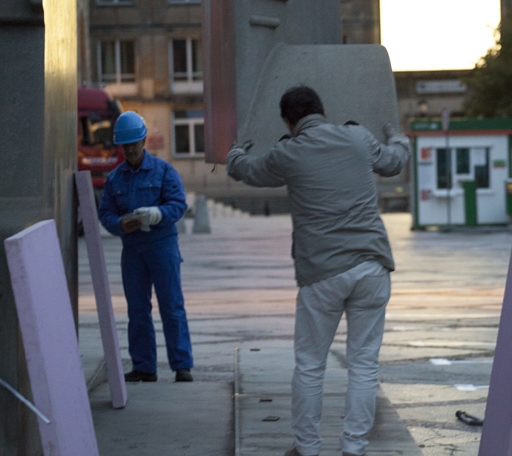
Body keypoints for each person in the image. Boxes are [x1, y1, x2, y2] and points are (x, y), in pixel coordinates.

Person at [226, 86, 410, 456]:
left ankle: (307, 448)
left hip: (322, 274)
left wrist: (235, 151)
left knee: (311, 365)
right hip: (371, 266)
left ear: (288, 122)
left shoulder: (288, 153)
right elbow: (393, 161)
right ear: (323, 112)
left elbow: (246, 170)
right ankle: (354, 447)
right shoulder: (359, 138)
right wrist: (398, 136)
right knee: (364, 364)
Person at [98, 111, 194, 383]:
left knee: (171, 306)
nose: (129, 150)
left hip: (162, 246)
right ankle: (144, 367)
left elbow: (178, 204)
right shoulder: (115, 179)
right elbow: (105, 213)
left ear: (143, 141)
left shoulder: (163, 171)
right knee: (137, 310)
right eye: (124, 145)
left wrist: (157, 214)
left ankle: (182, 365)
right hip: (133, 250)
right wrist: (119, 224)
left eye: (133, 144)